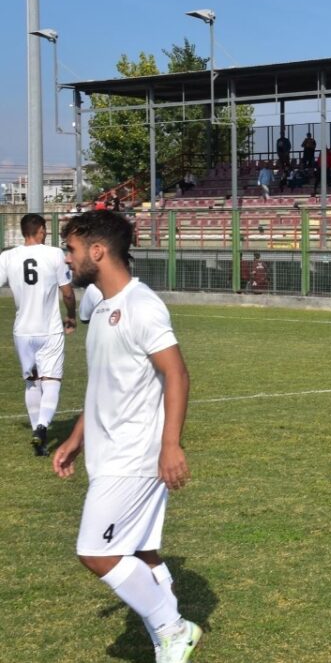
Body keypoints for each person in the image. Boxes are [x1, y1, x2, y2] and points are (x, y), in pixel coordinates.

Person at [53, 210, 201, 662]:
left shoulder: (142, 306)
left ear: (98, 251)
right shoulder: (100, 306)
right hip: (107, 451)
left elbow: (176, 375)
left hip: (134, 455)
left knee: (95, 552)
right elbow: (104, 384)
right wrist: (76, 437)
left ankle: (174, 629)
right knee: (142, 550)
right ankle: (169, 639)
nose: (67, 259)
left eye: (72, 250)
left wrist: (170, 445)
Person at [0, 214, 77, 456]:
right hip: (50, 329)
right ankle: (42, 427)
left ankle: (38, 435)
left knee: (32, 381)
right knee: (51, 380)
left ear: (24, 232)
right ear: (42, 230)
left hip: (22, 331)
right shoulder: (54, 254)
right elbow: (67, 292)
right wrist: (72, 315)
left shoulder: (7, 257)